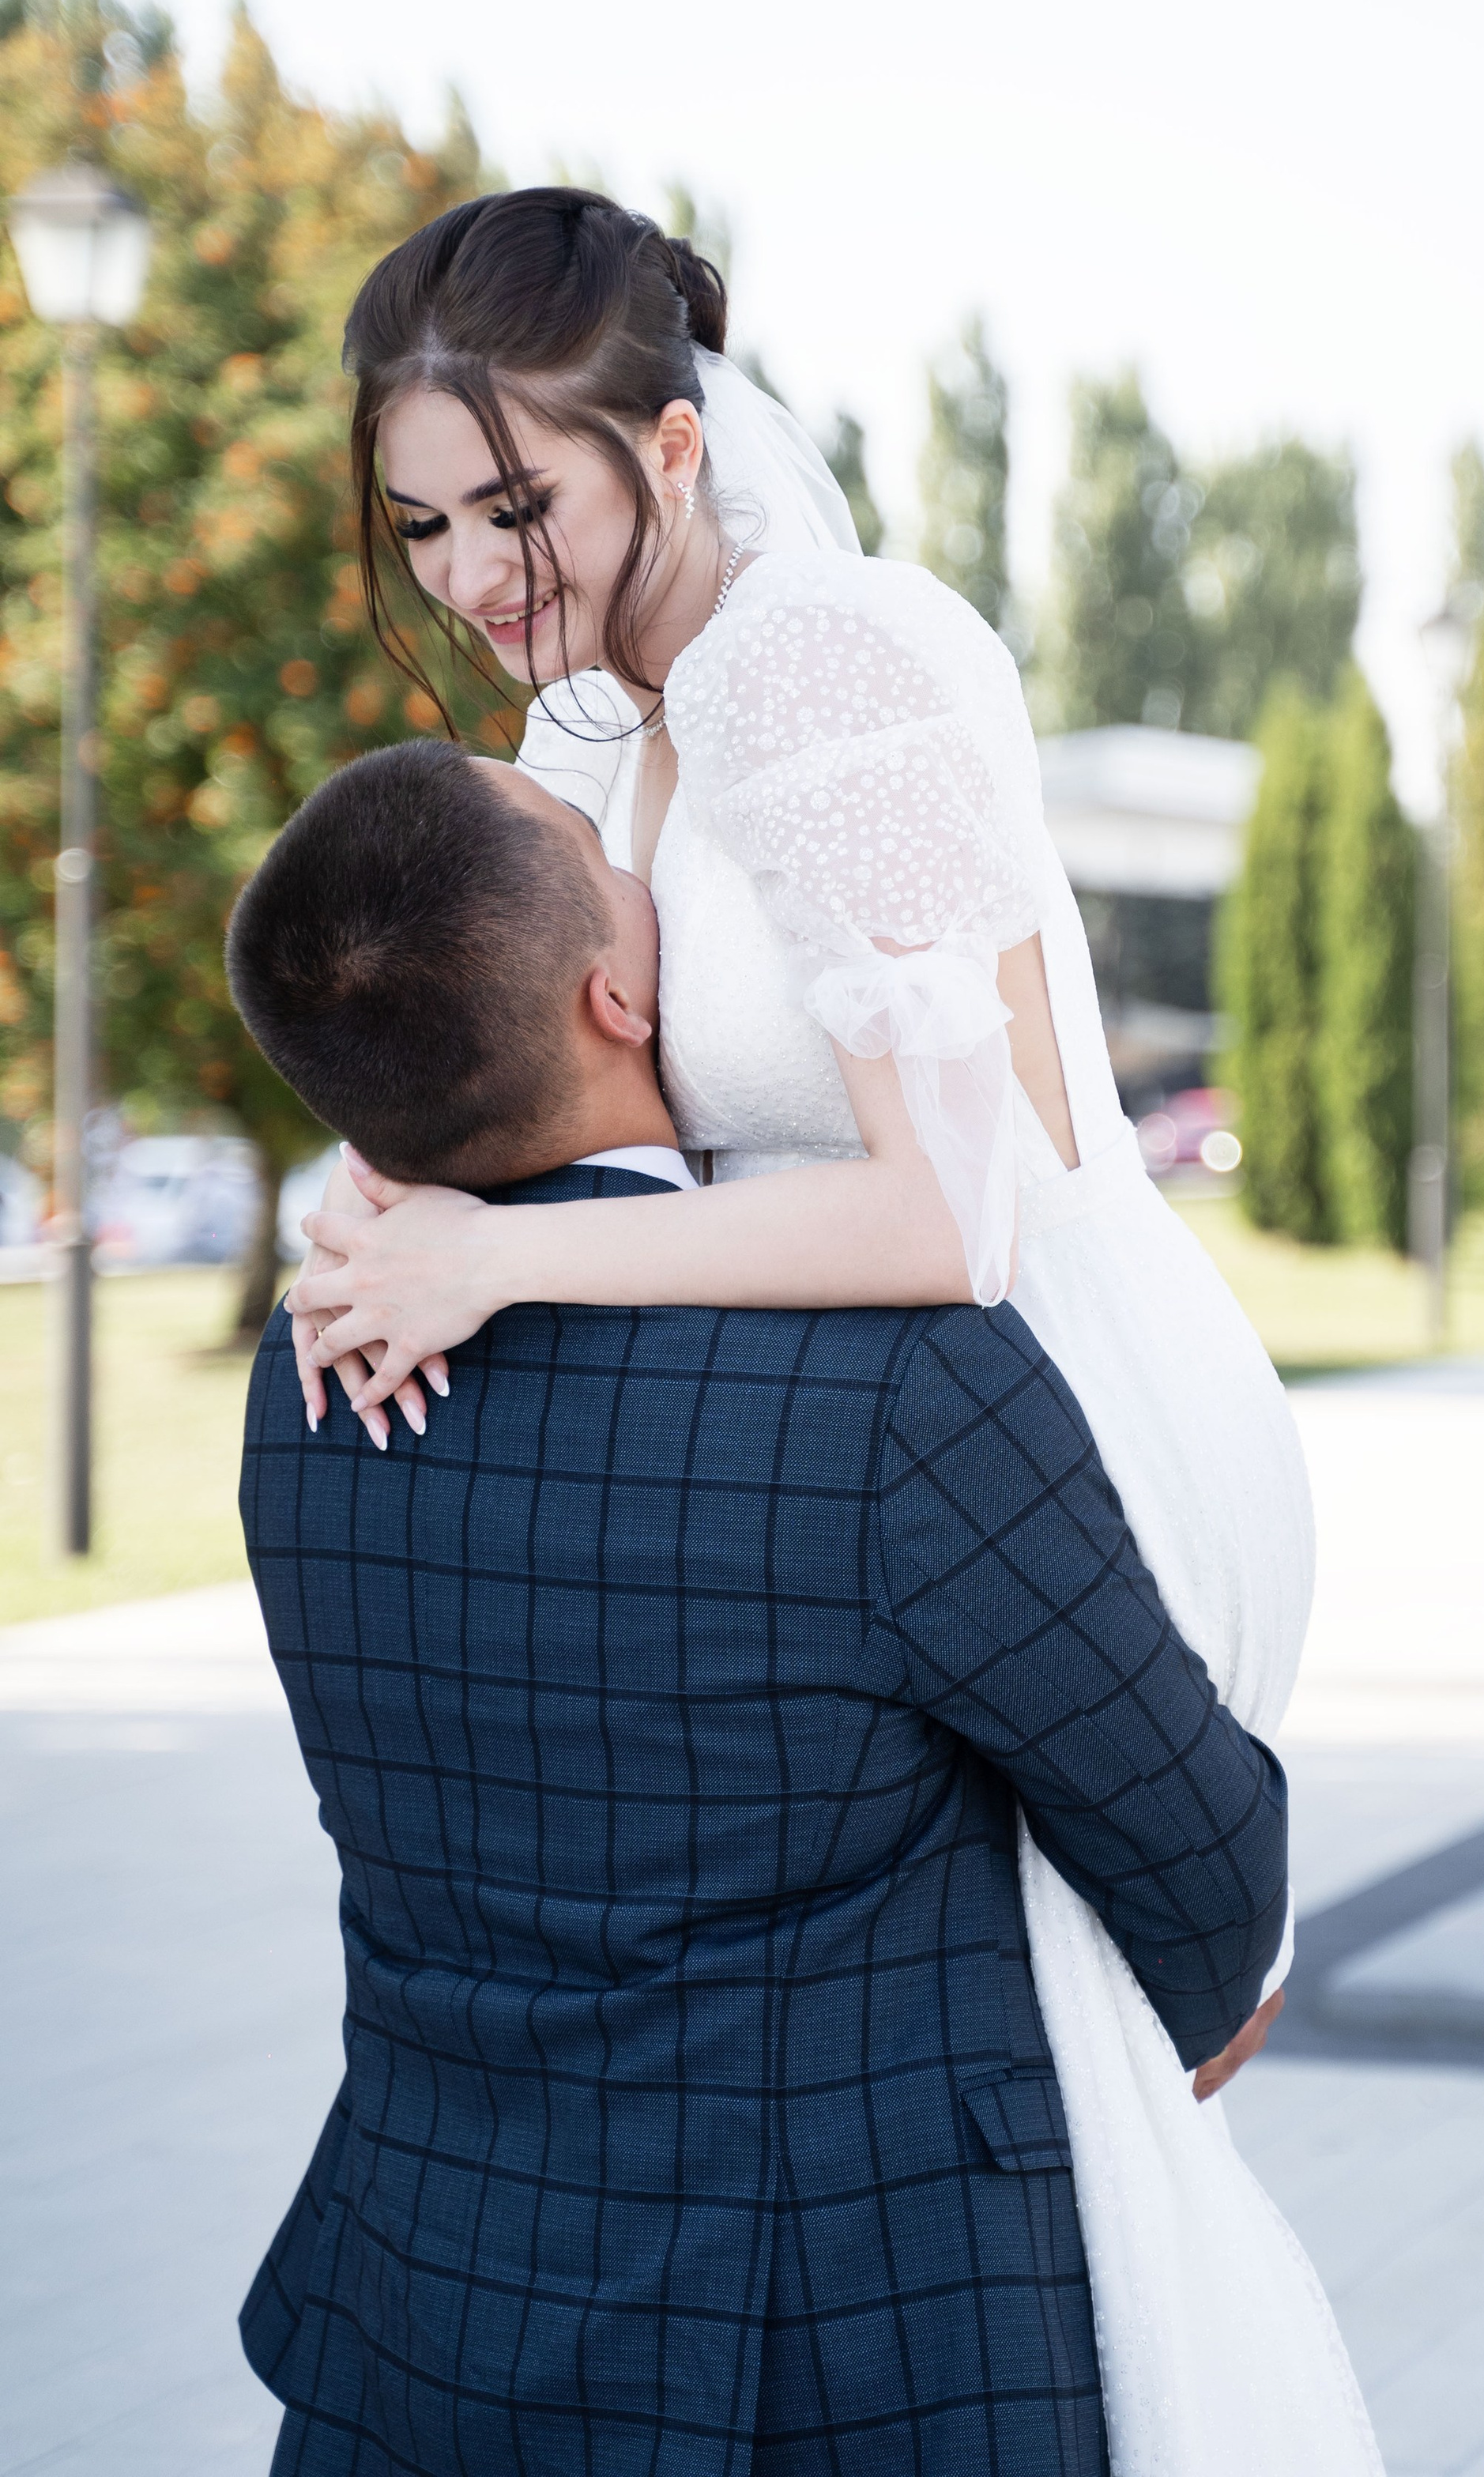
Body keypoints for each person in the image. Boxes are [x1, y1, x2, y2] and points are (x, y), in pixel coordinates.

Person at [284, 190, 1382, 2471]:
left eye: (521, 505)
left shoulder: (815, 660)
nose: (477, 576)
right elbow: (535, 1059)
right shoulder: (603, 724)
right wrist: (373, 1200)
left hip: (1015, 1409)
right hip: (830, 1445)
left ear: (674, 456)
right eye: (424, 528)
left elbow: (957, 1215)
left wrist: (502, 1264)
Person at [225, 737, 1293, 2475]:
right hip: (833, 2373)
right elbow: (1201, 1862)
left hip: (410, 2324)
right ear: (617, 992)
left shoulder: (317, 1368)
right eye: (594, 835)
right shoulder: (890, 1388)